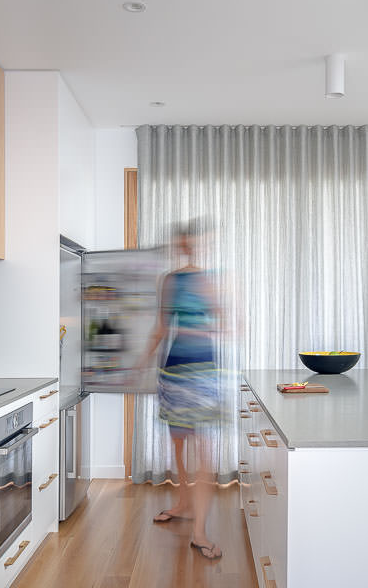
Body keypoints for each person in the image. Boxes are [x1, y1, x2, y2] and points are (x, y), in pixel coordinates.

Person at [141, 220, 226, 561]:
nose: (189, 246)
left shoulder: (212, 279)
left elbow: (224, 324)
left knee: (203, 448)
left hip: (203, 371)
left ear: (203, 243)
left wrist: (210, 317)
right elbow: (162, 326)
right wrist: (140, 362)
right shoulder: (170, 280)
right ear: (181, 244)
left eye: (195, 241)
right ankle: (184, 502)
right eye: (185, 241)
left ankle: (200, 532)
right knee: (178, 441)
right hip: (173, 370)